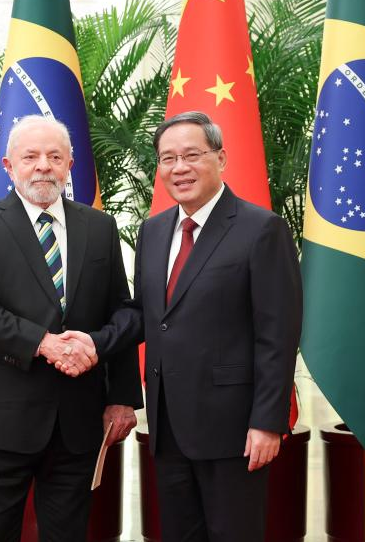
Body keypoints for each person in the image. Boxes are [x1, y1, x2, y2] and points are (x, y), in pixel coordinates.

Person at [64, 111, 302, 541]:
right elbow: (146, 314)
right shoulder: (154, 231)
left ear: (221, 158)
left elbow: (278, 335)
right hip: (168, 425)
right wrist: (95, 343)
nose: (179, 168)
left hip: (235, 429)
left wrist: (268, 422)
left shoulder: (261, 229)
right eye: (168, 158)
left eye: (192, 155)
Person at [0, 114, 141, 542]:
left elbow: (122, 313)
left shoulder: (99, 227)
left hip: (78, 421)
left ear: (70, 164)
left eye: (54, 156)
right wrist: (44, 344)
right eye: (31, 156)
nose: (43, 166)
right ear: (8, 166)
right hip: (1, 420)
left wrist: (123, 398)